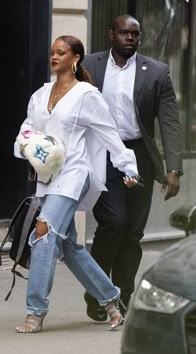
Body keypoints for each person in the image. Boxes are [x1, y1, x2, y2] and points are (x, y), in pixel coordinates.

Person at [14, 34, 140, 333]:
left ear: (75, 58)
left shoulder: (86, 95)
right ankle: (112, 301)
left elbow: (109, 133)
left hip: (74, 174)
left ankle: (35, 311)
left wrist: (128, 167)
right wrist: (24, 145)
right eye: (52, 53)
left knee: (43, 232)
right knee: (69, 246)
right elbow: (27, 130)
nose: (54, 57)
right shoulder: (40, 94)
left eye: (61, 53)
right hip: (48, 176)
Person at [82, 14, 183, 322]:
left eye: (135, 35)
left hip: (137, 154)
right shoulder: (89, 65)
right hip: (101, 154)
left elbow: (169, 120)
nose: (130, 39)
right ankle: (97, 291)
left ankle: (122, 293)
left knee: (133, 232)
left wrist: (173, 168)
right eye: (124, 33)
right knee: (114, 222)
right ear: (111, 35)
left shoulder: (156, 71)